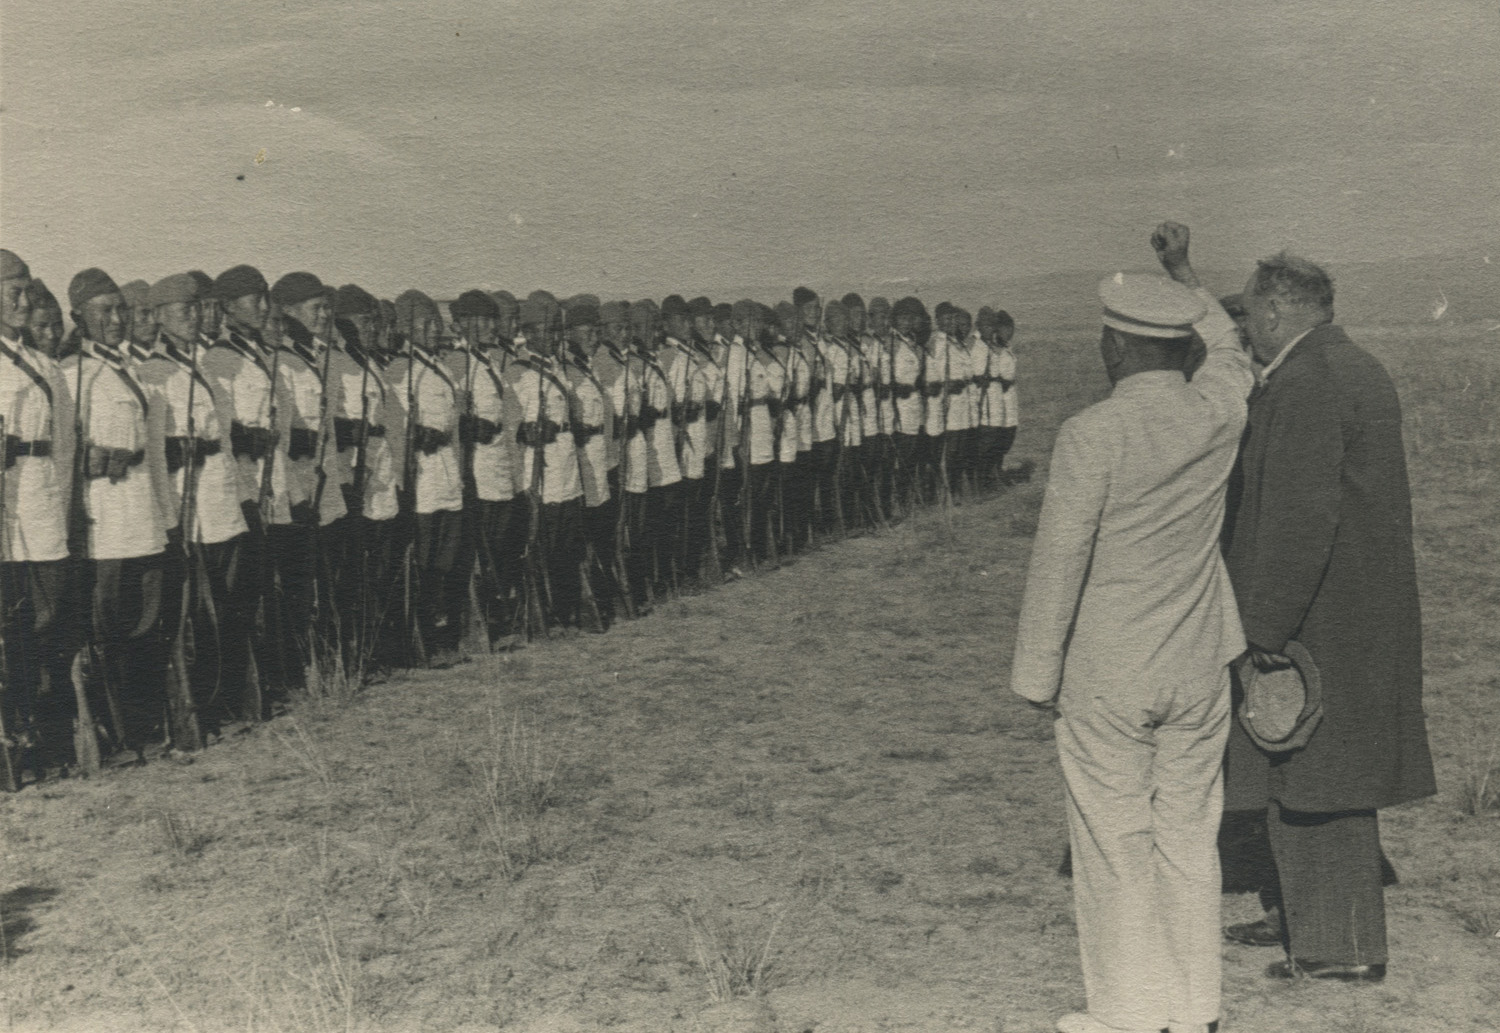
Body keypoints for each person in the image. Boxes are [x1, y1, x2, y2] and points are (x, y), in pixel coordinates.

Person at [1010, 222, 1253, 1033]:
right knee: (1189, 834)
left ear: (1114, 349)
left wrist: (1036, 676)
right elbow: (1231, 350)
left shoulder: (1092, 433)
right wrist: (1186, 277)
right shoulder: (1216, 412)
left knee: (1114, 840)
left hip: (1109, 670)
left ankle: (1129, 1011)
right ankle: (1195, 1006)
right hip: (1199, 660)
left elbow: (1060, 561)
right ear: (1179, 348)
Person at [1171, 245, 1437, 982]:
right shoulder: (1349, 365)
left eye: (1249, 311)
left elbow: (1297, 521)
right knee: (1309, 774)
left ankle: (1337, 950)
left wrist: (1262, 629)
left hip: (1318, 620)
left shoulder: (1306, 382)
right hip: (1348, 612)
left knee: (1318, 780)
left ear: (1273, 310)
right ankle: (1304, 916)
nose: (1246, 326)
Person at [0, 250, 74, 779]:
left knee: (44, 626)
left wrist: (64, 510)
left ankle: (43, 736)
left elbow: (65, 449)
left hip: (42, 510)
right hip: (5, 516)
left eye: (28, 289)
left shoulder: (46, 366)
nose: (25, 301)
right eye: (14, 291)